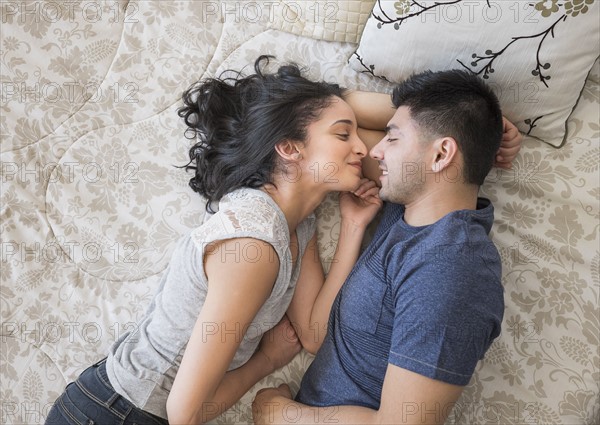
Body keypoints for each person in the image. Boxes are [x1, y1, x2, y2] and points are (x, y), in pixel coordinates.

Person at [45, 55, 383, 425]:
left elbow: (314, 333)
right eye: (342, 134)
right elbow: (184, 413)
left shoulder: (296, 226)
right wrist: (266, 362)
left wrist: (352, 227)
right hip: (116, 412)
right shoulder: (252, 246)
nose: (363, 149)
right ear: (289, 147)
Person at [252, 69, 522, 425]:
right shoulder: (410, 205)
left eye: (392, 139)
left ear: (441, 154)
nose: (373, 150)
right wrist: (485, 120)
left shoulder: (455, 270)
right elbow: (320, 116)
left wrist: (277, 414)